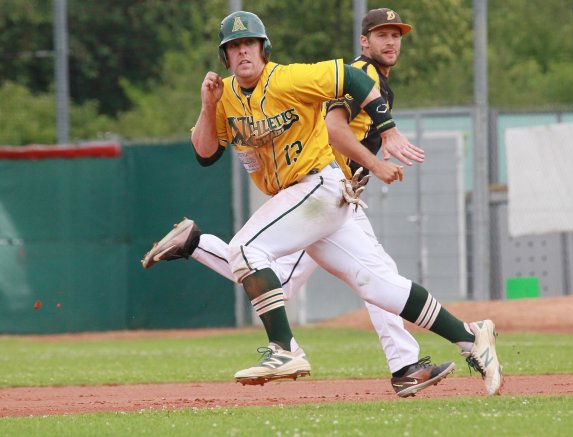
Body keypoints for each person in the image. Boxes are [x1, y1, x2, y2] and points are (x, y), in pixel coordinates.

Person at [144, 10, 503, 396]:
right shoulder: (226, 96)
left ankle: (285, 348)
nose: (242, 51)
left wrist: (388, 128)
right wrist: (207, 105)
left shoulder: (287, 78)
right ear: (225, 58)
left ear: (263, 49)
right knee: (377, 284)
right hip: (305, 200)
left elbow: (354, 78)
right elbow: (205, 153)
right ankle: (470, 337)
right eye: (233, 47)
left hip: (319, 185)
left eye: (248, 43)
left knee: (247, 250)